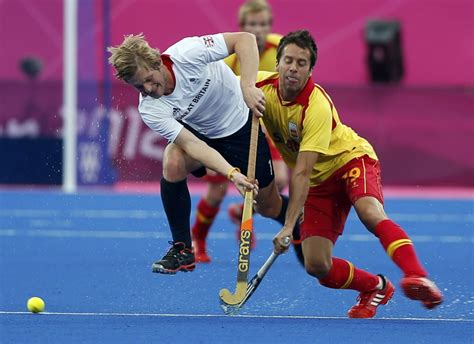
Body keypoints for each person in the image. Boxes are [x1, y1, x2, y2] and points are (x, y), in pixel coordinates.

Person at [257, 30, 444, 318]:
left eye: (302, 63)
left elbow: (303, 172)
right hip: (320, 183)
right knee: (316, 265)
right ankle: (375, 287)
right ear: (277, 62)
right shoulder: (259, 85)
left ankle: (417, 276)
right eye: (288, 61)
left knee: (370, 213)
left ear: (310, 70)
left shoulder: (315, 106)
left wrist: (288, 226)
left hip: (350, 160)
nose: (293, 68)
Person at [108, 31, 299, 274]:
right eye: (139, 86)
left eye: (148, 79)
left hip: (240, 126)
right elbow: (192, 145)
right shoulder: (150, 108)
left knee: (268, 207)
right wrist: (232, 174)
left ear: (156, 61)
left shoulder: (188, 53)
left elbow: (245, 39)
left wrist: (248, 86)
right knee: (173, 160)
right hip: (201, 135)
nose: (148, 89)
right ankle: (183, 249)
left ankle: (298, 221)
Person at [191, 0, 295, 264]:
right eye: (252, 25)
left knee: (279, 181)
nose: (257, 30)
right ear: (242, 27)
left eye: (262, 25)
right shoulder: (229, 59)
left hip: (265, 128)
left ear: (269, 26)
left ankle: (243, 210)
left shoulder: (282, 50)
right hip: (229, 130)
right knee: (215, 193)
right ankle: (197, 240)